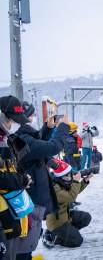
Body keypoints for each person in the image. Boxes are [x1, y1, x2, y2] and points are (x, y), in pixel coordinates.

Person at [15, 102, 70, 260]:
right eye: (31, 114)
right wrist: (63, 128)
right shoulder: (21, 138)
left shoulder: (21, 135)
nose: (33, 117)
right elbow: (52, 147)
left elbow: (38, 147)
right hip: (32, 198)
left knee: (31, 237)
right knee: (26, 242)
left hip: (32, 196)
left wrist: (48, 128)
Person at [0, 95, 32, 260]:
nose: (16, 125)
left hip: (8, 211)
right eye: (13, 120)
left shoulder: (5, 139)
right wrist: (22, 180)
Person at [43, 159, 92, 248]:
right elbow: (71, 197)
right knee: (77, 241)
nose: (70, 178)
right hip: (57, 224)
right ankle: (53, 236)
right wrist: (76, 181)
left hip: (66, 217)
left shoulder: (61, 182)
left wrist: (84, 181)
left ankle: (68, 233)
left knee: (86, 218)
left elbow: (74, 192)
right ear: (59, 176)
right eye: (67, 176)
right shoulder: (54, 188)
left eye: (70, 175)